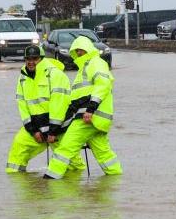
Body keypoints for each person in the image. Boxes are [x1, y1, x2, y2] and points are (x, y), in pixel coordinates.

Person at [44, 35, 122, 178]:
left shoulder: (95, 63)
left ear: (88, 49)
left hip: (88, 116)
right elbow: (77, 98)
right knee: (104, 154)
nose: (79, 53)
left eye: (81, 50)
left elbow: (103, 84)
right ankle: (116, 180)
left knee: (65, 148)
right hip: (96, 119)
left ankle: (50, 182)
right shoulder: (84, 68)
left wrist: (90, 109)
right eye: (77, 51)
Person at [6, 44, 71, 174]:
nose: (31, 62)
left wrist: (53, 131)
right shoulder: (23, 77)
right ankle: (19, 185)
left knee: (71, 163)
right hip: (36, 128)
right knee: (18, 149)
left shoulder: (55, 75)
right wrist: (32, 130)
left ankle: (74, 190)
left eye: (34, 59)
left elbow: (59, 104)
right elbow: (22, 105)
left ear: (42, 58)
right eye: (28, 59)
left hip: (59, 129)